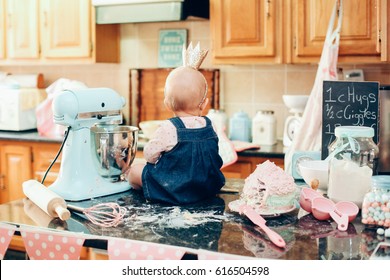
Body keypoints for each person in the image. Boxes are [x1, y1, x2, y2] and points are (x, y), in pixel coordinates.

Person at [127, 42, 225, 205]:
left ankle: (149, 190)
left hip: (174, 189)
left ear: (167, 104)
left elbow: (149, 155)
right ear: (204, 103)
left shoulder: (168, 127)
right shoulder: (210, 125)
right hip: (207, 188)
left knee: (135, 171)